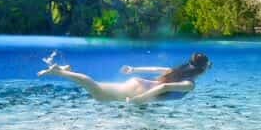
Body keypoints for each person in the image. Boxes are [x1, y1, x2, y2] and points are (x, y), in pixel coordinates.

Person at [37, 52, 212, 104]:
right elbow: (164, 88)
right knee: (97, 92)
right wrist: (138, 100)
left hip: (138, 83)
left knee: (99, 89)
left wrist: (134, 68)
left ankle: (65, 70)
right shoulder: (189, 85)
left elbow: (156, 69)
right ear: (201, 71)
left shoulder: (176, 72)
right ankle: (60, 71)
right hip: (139, 90)